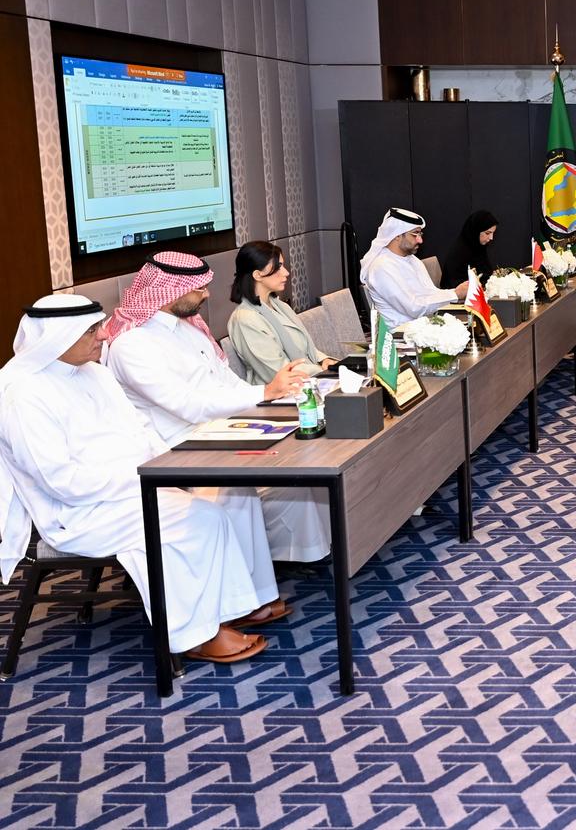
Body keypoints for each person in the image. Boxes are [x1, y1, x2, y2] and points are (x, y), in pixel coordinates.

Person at [0, 295, 284, 665]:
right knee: (198, 520)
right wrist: (145, 476)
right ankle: (194, 635)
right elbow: (61, 482)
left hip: (132, 488)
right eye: (91, 330)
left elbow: (141, 429)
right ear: (57, 337)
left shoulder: (95, 373)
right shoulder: (23, 394)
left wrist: (167, 465)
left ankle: (224, 614)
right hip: (77, 512)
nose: (104, 335)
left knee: (217, 503)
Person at [103, 252, 332, 563]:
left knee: (305, 458)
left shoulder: (188, 328)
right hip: (181, 449)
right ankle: (249, 574)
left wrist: (273, 395)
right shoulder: (131, 346)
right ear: (172, 292)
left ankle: (305, 554)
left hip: (224, 428)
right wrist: (265, 392)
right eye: (199, 289)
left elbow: (228, 383)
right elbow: (188, 406)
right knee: (244, 489)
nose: (207, 295)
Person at [226, 242, 338, 386]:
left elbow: (307, 349)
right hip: (283, 393)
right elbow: (278, 371)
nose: (286, 272)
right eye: (278, 267)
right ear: (258, 275)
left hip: (309, 381)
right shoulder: (245, 319)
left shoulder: (280, 306)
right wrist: (324, 371)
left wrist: (323, 361)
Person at [360, 208, 468, 326]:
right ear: (397, 235)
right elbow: (414, 308)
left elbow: (430, 294)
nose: (420, 240)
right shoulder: (381, 267)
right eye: (415, 234)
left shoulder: (412, 259)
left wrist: (458, 292)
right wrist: (455, 294)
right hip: (400, 333)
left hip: (423, 324)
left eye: (420, 234)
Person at [440, 210, 498, 289]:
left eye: (493, 233)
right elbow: (452, 283)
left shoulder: (479, 248)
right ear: (476, 231)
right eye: (487, 233)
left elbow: (485, 274)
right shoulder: (459, 253)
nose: (491, 238)